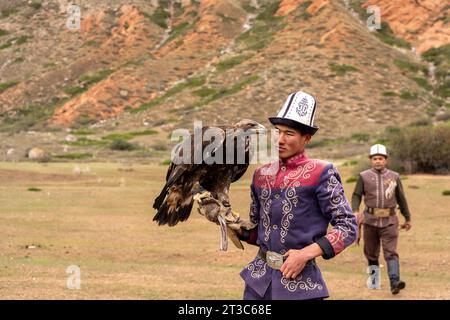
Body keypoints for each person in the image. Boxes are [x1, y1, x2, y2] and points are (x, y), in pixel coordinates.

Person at [229, 91, 358, 300]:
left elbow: (348, 227)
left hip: (300, 287)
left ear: (306, 138)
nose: (280, 139)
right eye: (277, 131)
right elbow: (258, 232)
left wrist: (304, 254)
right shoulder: (261, 175)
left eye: (289, 133)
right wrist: (231, 225)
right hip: (257, 284)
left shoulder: (322, 173)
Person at [351, 144, 412, 295]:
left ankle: (395, 282)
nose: (378, 161)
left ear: (386, 160)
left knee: (390, 252)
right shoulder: (363, 176)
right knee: (371, 253)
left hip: (390, 221)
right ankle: (374, 281)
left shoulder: (395, 176)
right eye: (375, 158)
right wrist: (355, 211)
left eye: (381, 158)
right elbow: (356, 195)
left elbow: (401, 198)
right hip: (370, 221)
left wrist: (407, 217)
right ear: (371, 160)